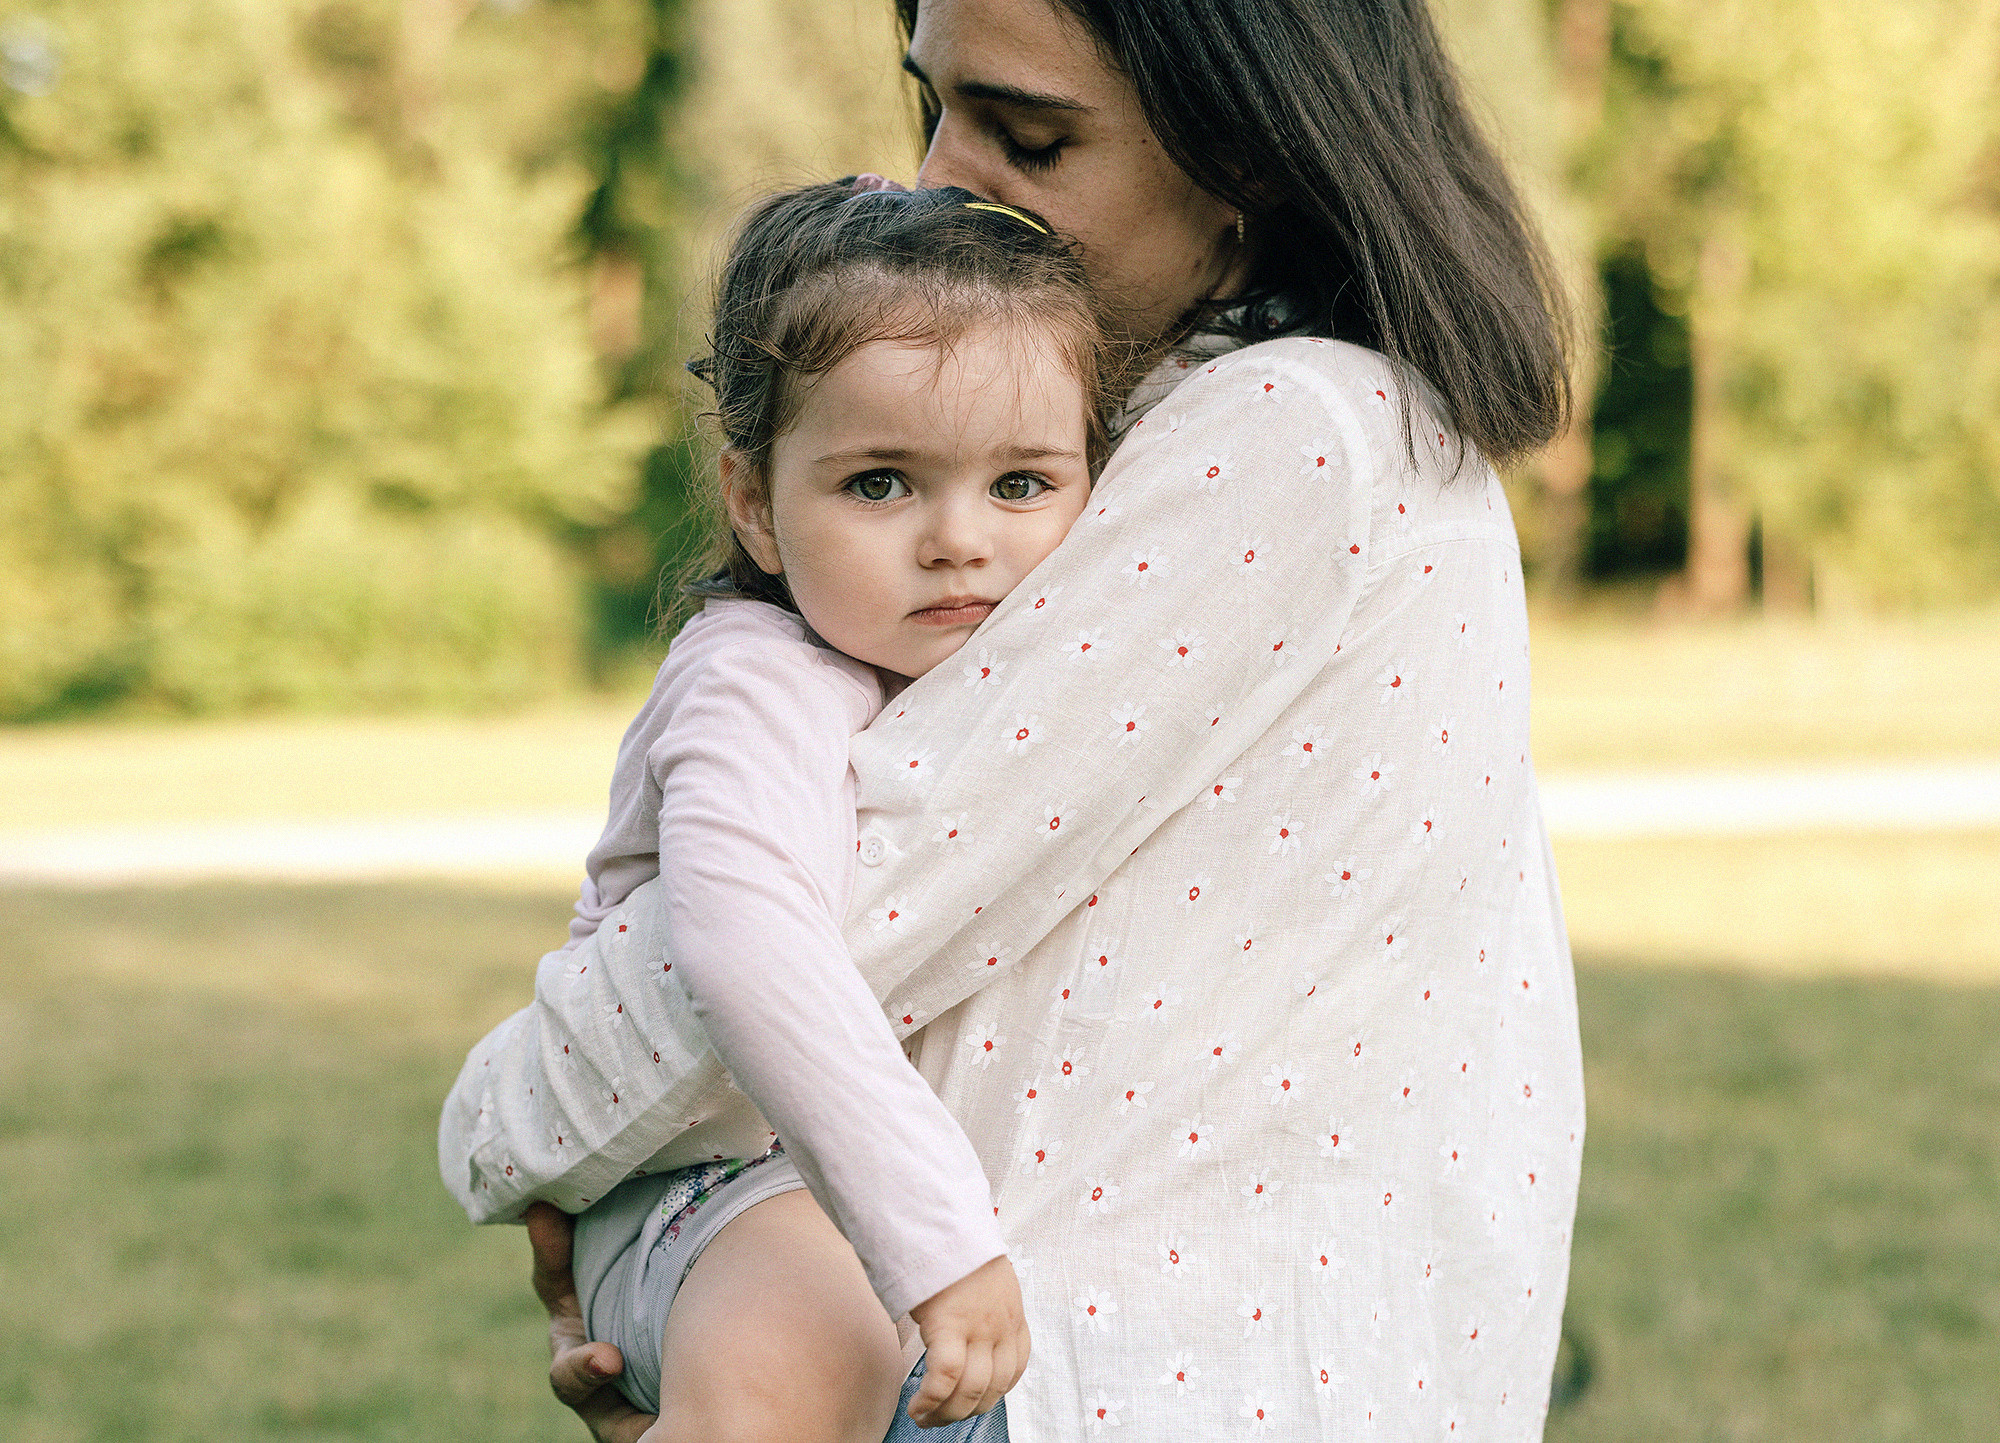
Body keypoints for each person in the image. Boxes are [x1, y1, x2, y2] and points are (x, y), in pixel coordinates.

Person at [518, 0, 1587, 1438]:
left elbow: (807, 915)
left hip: (1132, 1373)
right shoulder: (1315, 431)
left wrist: (526, 1130)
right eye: (934, 108)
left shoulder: (1286, 435)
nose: (944, 176)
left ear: (1250, 153)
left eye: (1029, 135)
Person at [441, 183, 1125, 1438]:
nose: (957, 539)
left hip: (824, 1188)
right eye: (879, 484)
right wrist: (939, 1243)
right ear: (754, 504)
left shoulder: (993, 688)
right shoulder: (758, 677)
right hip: (709, 1189)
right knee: (811, 1333)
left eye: (1022, 483)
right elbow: (746, 943)